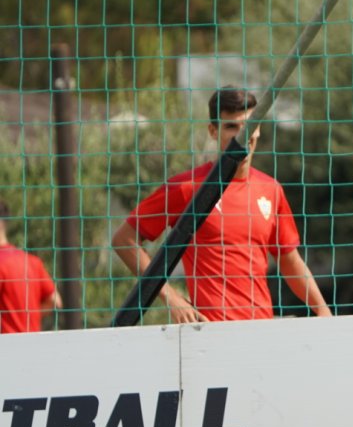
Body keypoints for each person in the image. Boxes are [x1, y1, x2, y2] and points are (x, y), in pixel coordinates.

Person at [112, 87, 331, 323]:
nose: (242, 135)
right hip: (209, 334)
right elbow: (124, 240)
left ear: (259, 129)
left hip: (263, 331)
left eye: (249, 125)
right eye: (231, 127)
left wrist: (322, 310)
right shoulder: (187, 188)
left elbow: (289, 260)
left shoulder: (271, 190)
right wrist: (171, 298)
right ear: (213, 131)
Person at [0, 198, 61, 333]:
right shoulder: (32, 261)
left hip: (6, 346)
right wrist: (28, 316)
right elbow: (55, 300)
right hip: (33, 342)